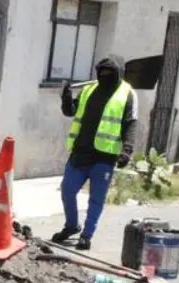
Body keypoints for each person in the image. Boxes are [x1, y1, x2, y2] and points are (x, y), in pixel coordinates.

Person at [50, 56, 137, 251]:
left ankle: (86, 235)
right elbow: (70, 111)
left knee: (96, 199)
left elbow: (131, 123)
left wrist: (127, 150)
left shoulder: (127, 94)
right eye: (102, 72)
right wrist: (66, 96)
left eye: (109, 73)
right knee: (67, 190)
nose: (104, 76)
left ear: (118, 74)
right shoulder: (88, 89)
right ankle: (72, 226)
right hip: (80, 152)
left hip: (104, 156)